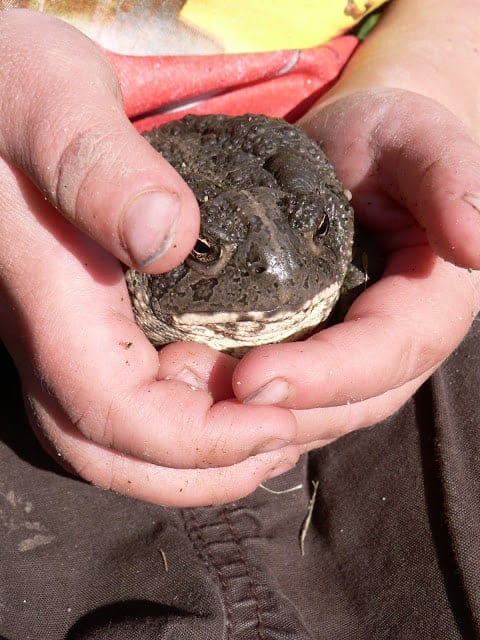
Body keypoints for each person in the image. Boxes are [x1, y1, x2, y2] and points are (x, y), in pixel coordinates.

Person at [0, 1, 480, 637]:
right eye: (206, 252)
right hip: (37, 226)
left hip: (349, 140)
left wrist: (437, 74)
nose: (278, 275)